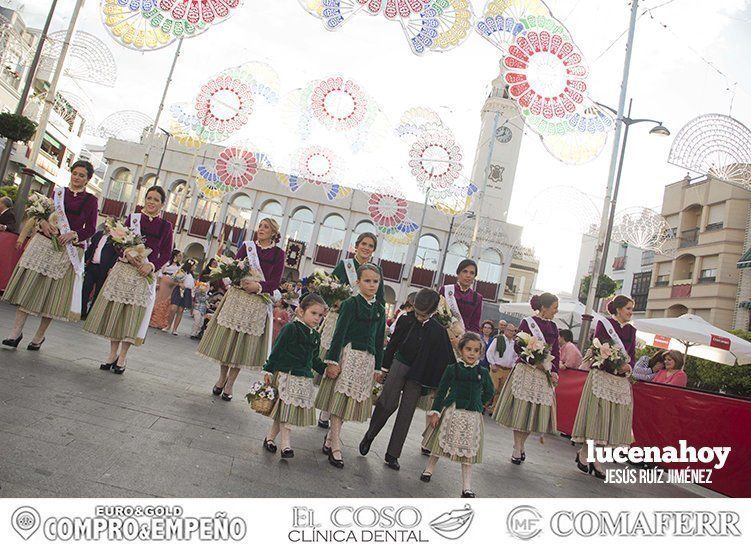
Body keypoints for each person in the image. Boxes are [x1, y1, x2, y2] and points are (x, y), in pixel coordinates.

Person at [2, 160, 98, 350]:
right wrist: (44, 223)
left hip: (67, 250)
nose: (77, 178)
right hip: (45, 243)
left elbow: (92, 228)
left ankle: (39, 337)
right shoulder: (58, 192)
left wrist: (74, 233)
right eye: (75, 173)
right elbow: (45, 213)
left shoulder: (90, 200)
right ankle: (15, 333)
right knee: (29, 286)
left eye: (82, 175)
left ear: (87, 180)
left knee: (53, 294)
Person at [359, 289, 454, 470]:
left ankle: (393, 454)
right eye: (417, 312)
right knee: (387, 403)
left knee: (406, 412)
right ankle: (370, 434)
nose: (418, 317)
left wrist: (436, 385)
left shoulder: (438, 330)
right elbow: (393, 344)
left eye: (423, 314)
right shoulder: (405, 319)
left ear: (433, 312)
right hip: (400, 363)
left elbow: (443, 358)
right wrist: (384, 369)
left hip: (419, 374)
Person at [84, 186, 174, 373]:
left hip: (144, 275)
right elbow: (117, 242)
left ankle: (122, 357)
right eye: (149, 198)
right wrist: (125, 251)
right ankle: (112, 354)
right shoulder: (133, 219)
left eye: (156, 199)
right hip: (125, 270)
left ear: (162, 204)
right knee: (117, 313)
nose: (151, 202)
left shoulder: (166, 227)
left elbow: (166, 253)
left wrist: (152, 265)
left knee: (132, 316)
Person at [199, 218, 285, 401]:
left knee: (241, 344)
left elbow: (275, 281)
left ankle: (230, 383)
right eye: (260, 226)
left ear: (273, 233)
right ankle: (222, 377)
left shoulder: (278, 254)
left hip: (256, 302)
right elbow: (233, 269)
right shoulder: (247, 247)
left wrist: (258, 286)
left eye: (266, 227)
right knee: (228, 340)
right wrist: (240, 281)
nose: (261, 229)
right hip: (238, 297)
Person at [315, 263, 386, 469]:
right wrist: (333, 361)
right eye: (367, 281)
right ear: (358, 282)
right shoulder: (350, 303)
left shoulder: (380, 309)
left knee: (348, 402)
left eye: (375, 281)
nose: (371, 285)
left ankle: (330, 438)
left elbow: (380, 341)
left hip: (367, 360)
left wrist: (377, 368)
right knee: (339, 400)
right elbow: (340, 334)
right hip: (349, 355)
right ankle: (336, 445)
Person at [317, 231, 384, 429]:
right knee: (335, 363)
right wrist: (335, 301)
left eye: (370, 245)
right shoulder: (345, 265)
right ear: (356, 245)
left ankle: (334, 413)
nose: (366, 248)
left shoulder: (375, 271)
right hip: (341, 317)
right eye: (363, 244)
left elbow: (379, 298)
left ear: (374, 250)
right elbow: (328, 288)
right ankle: (325, 410)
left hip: (361, 324)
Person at [420, 332, 494, 498]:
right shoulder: (452, 369)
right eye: (468, 349)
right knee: (440, 442)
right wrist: (436, 412)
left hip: (472, 416)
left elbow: (490, 391)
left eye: (476, 350)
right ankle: (429, 469)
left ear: (480, 353)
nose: (472, 353)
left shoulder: (482, 372)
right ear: (461, 350)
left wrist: (479, 402)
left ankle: (466, 486)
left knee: (468, 451)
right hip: (451, 412)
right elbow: (441, 392)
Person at [572, 294, 637, 479]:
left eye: (632, 309)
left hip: (619, 380)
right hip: (602, 375)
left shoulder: (632, 331)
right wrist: (615, 364)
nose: (631, 312)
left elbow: (632, 354)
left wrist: (627, 366)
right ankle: (585, 453)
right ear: (618, 309)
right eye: (628, 309)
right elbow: (600, 347)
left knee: (610, 419)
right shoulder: (605, 324)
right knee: (597, 417)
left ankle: (596, 457)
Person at [493, 293, 561, 464]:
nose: (556, 311)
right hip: (527, 370)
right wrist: (533, 361)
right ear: (544, 307)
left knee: (534, 412)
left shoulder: (554, 327)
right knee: (522, 410)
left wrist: (555, 371)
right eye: (554, 307)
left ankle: (522, 444)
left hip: (543, 374)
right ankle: (517, 447)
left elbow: (556, 352)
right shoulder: (528, 322)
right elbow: (518, 346)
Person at [261, 294, 328, 459]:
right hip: (287, 375)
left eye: (320, 315)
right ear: (300, 311)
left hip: (303, 378)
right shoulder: (291, 328)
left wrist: (326, 369)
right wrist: (268, 369)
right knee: (287, 411)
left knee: (284, 411)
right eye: (313, 313)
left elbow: (314, 360)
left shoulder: (315, 336)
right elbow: (277, 349)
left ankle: (270, 438)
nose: (317, 318)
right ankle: (286, 445)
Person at [81, 225, 118, 320]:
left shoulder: (115, 239)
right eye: (107, 224)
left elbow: (116, 255)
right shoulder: (98, 235)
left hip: (104, 269)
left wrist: (111, 268)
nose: (108, 227)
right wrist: (83, 260)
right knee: (85, 288)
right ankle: (82, 311)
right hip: (92, 266)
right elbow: (91, 248)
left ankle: (91, 314)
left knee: (98, 292)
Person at [439, 259, 483, 333]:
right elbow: (438, 315)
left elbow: (475, 324)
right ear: (458, 273)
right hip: (443, 334)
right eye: (465, 271)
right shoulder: (445, 290)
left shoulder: (477, 297)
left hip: (464, 338)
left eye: (472, 273)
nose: (468, 275)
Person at [486, 321, 517, 409]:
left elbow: (515, 356)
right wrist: (492, 364)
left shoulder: (514, 343)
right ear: (506, 330)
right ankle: (484, 404)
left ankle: (494, 408)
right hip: (497, 368)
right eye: (510, 330)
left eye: (513, 331)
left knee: (501, 390)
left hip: (507, 370)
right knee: (492, 388)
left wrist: (513, 366)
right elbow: (489, 352)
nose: (512, 332)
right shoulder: (498, 339)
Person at [149, 249, 182, 329]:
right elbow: (160, 273)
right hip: (164, 282)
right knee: (159, 300)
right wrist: (158, 283)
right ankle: (153, 320)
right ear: (175, 256)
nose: (181, 257)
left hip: (173, 285)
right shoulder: (166, 264)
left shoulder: (180, 267)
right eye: (180, 255)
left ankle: (162, 322)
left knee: (168, 302)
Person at [163, 260, 196, 335]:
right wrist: (179, 283)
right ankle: (168, 325)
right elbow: (173, 279)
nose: (194, 267)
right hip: (178, 290)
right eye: (194, 266)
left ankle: (175, 329)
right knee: (173, 308)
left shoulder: (192, 275)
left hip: (187, 292)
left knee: (180, 310)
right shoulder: (181, 272)